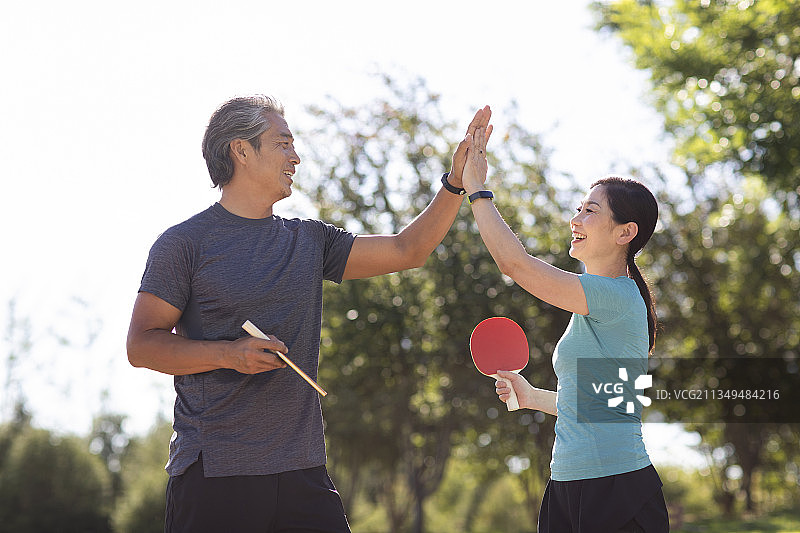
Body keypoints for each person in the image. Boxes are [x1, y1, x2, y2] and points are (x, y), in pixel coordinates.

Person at [126, 95, 492, 532]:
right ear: (240, 150)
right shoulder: (184, 244)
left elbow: (407, 250)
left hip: (303, 474)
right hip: (216, 476)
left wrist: (455, 182)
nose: (295, 157)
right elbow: (142, 345)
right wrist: (230, 354)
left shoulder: (310, 241)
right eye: (283, 143)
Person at [461, 126, 670, 532]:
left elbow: (515, 265)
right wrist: (533, 396)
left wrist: (477, 189)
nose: (575, 219)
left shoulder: (618, 298)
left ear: (625, 233)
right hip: (566, 484)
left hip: (617, 489)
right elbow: (600, 404)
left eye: (590, 211)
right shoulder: (595, 304)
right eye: (579, 208)